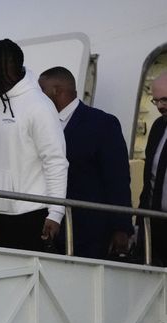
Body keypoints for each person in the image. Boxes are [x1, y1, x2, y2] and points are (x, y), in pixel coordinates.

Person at [0, 38, 68, 251]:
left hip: (27, 217)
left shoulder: (38, 106)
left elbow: (54, 161)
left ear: (1, 67)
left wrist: (56, 212)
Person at [38, 66, 133, 259]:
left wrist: (121, 227)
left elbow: (117, 178)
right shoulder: (41, 123)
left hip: (90, 232)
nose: (37, 98)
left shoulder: (101, 124)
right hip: (50, 228)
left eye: (42, 91)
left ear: (57, 91)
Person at [137, 72, 167, 265]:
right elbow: (150, 179)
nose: (160, 107)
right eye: (156, 101)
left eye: (165, 100)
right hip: (155, 224)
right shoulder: (158, 127)